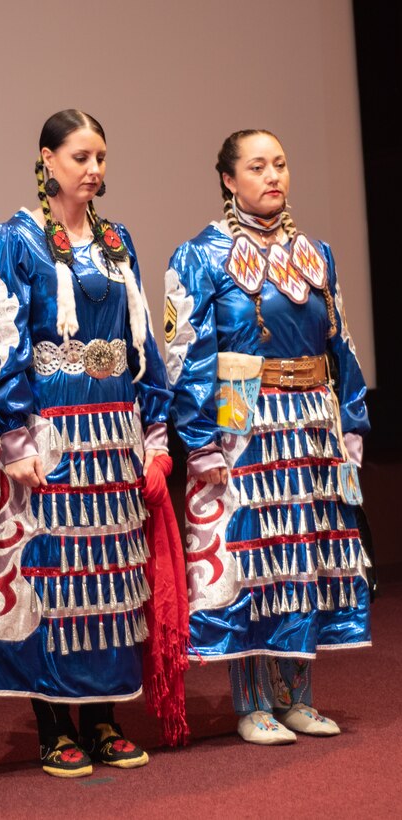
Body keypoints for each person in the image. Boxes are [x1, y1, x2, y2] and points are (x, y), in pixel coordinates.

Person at [0, 109, 186, 777]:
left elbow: (142, 342)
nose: (94, 170)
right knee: (53, 575)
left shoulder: (115, 240)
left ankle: (102, 718)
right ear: (46, 160)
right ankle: (50, 724)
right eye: (79, 157)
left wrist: (154, 432)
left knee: (112, 576)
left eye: (100, 157)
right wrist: (15, 438)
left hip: (114, 430)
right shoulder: (13, 241)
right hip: (51, 431)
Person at [164, 129, 371, 745]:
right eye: (257, 167)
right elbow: (186, 354)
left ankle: (298, 696)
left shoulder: (317, 253)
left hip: (311, 420)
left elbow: (342, 343)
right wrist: (203, 439)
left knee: (300, 555)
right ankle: (252, 702)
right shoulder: (202, 254)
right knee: (253, 558)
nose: (273, 176)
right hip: (244, 416)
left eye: (280, 163)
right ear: (228, 179)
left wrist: (350, 422)